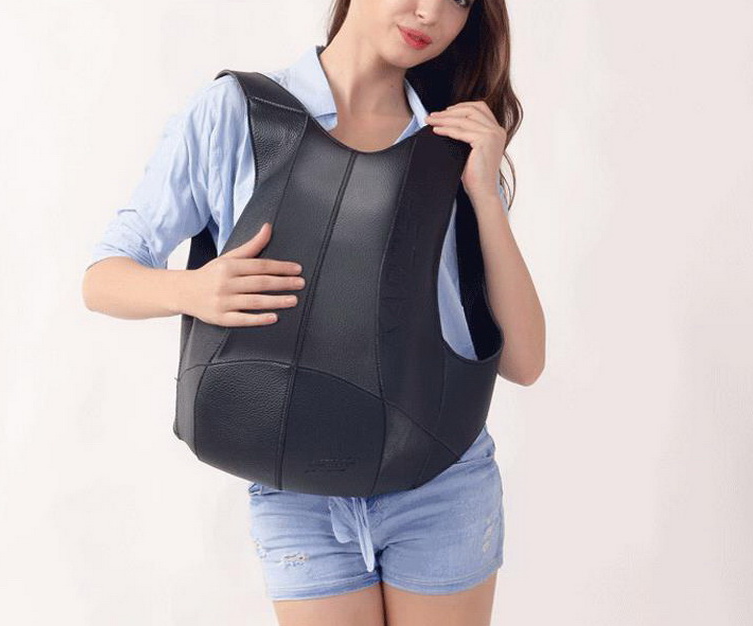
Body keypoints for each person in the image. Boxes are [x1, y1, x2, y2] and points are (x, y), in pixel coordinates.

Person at [83, 1, 545, 624]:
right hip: (293, 483)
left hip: (439, 481)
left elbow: (524, 361)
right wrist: (194, 290)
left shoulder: (450, 145)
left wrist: (484, 193)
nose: (431, 11)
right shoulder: (240, 113)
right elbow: (104, 277)